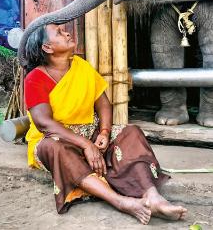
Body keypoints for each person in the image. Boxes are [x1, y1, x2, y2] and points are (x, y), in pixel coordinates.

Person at [24, 23, 187, 225]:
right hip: (55, 139)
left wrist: (103, 132)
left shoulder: (81, 66)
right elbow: (44, 123)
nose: (66, 32)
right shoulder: (35, 78)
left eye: (64, 30)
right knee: (54, 147)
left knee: (131, 132)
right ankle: (121, 202)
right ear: (47, 47)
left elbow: (103, 103)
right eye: (59, 32)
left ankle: (152, 196)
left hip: (90, 133)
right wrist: (86, 145)